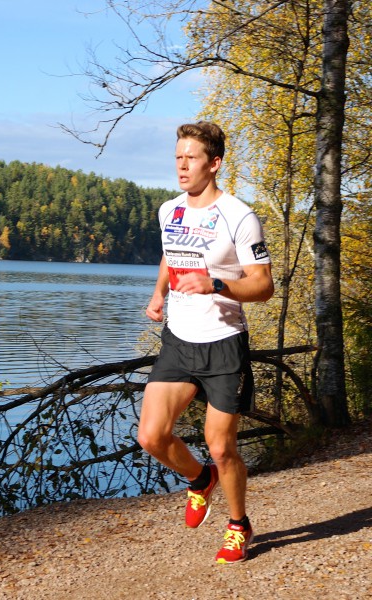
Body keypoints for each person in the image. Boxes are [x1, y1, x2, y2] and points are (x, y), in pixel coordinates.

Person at [138, 121, 274, 564]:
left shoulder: (240, 215)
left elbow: (264, 285)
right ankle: (200, 480)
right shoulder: (169, 210)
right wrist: (160, 293)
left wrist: (216, 283)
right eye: (177, 156)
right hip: (179, 339)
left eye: (191, 157)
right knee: (151, 436)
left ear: (214, 164)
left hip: (223, 344)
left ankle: (239, 525)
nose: (181, 165)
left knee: (221, 445)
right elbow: (170, 253)